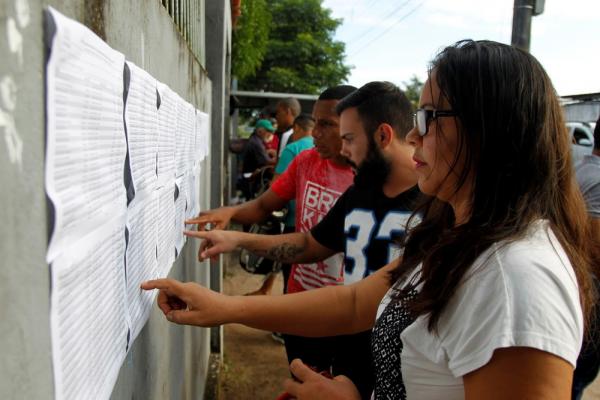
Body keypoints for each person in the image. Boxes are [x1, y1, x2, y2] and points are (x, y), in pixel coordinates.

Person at [143, 40, 598, 400]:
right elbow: (356, 303)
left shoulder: (516, 280)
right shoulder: (453, 233)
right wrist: (225, 308)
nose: (414, 134)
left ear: (487, 130)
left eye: (428, 117)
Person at [189, 82, 418, 398]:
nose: (344, 148)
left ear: (383, 136)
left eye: (348, 138)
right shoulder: (360, 193)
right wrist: (238, 239)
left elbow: (357, 304)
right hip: (349, 362)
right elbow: (312, 245)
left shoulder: (440, 208)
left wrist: (227, 307)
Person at [186, 84, 356, 375]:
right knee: (301, 379)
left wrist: (238, 239)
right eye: (316, 123)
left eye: (327, 124)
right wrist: (232, 212)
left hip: (347, 311)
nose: (315, 132)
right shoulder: (305, 161)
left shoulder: (368, 180)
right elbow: (265, 205)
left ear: (355, 126)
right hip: (298, 301)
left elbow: (309, 244)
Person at [250, 113, 317, 297]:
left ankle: (286, 320)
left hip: (292, 221)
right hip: (317, 224)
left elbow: (276, 187)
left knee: (291, 275)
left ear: (297, 129)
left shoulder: (293, 148)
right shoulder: (324, 150)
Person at [572, 115, 600, 400]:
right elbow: (596, 249)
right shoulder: (598, 179)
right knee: (577, 378)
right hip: (590, 293)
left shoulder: (582, 169)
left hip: (580, 289)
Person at [240, 119, 277, 199]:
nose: (270, 134)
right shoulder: (256, 143)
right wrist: (279, 159)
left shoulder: (255, 141)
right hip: (251, 180)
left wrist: (268, 152)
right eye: (268, 131)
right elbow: (267, 162)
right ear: (260, 131)